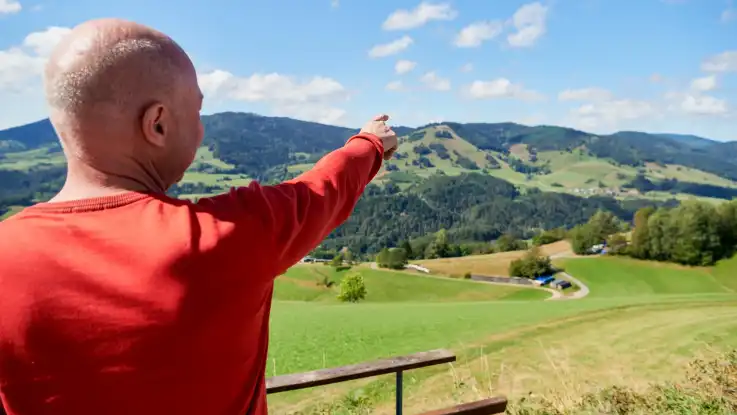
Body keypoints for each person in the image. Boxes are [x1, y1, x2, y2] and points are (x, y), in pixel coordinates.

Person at [0, 18, 398, 415]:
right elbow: (324, 190)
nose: (202, 129)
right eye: (197, 111)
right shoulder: (231, 235)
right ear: (157, 124)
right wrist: (371, 143)